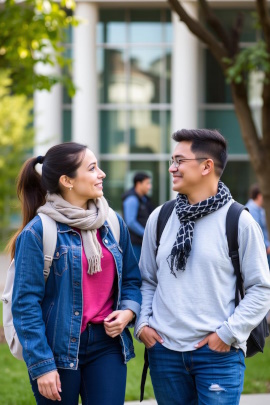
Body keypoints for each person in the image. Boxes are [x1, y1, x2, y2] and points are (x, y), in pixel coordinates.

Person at [135, 129, 270, 405]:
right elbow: (147, 279)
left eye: (180, 161)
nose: (172, 168)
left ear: (207, 166)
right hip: (164, 352)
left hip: (219, 355)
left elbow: (261, 289)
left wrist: (227, 335)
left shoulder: (239, 221)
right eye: (172, 160)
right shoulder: (160, 218)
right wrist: (143, 323)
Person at [10, 142, 141, 405]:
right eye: (92, 168)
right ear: (67, 181)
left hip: (107, 346)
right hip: (56, 349)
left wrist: (128, 311)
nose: (102, 173)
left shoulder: (112, 223)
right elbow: (25, 305)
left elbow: (131, 280)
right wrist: (42, 365)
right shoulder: (38, 232)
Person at [122, 172, 153, 262]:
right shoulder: (132, 199)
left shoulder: (144, 199)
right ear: (139, 184)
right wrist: (145, 234)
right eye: (147, 183)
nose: (149, 187)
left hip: (141, 242)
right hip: (134, 243)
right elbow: (131, 222)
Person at [246, 184, 270, 266]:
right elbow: (256, 232)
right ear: (259, 196)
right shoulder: (251, 210)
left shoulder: (260, 209)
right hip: (261, 251)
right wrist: (266, 246)